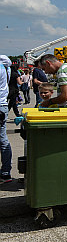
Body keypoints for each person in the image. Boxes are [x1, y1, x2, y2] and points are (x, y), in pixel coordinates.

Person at [0, 55, 13, 183]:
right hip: (2, 105)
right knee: (3, 139)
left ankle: (5, 172)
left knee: (3, 140)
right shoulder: (5, 69)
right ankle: (5, 171)